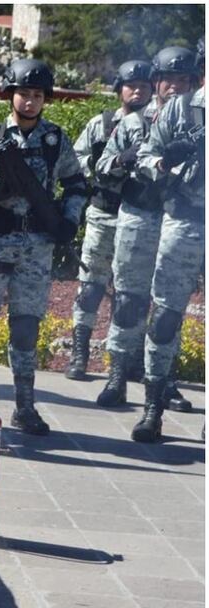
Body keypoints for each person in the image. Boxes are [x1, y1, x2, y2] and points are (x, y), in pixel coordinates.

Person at [0, 59, 88, 435]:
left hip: (36, 248)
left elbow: (76, 185)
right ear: (10, 94)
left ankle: (24, 407)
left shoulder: (54, 141)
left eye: (38, 95)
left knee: (26, 328)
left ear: (46, 99)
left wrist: (70, 222)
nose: (30, 101)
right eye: (24, 93)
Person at [95, 46, 198, 408]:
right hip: (140, 216)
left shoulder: (196, 122)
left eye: (184, 81)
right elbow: (101, 169)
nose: (176, 87)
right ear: (156, 82)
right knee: (129, 300)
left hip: (181, 222)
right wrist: (128, 159)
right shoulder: (135, 122)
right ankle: (117, 378)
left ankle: (165, 382)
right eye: (169, 80)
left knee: (170, 306)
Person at [65, 60, 153, 380]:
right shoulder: (101, 125)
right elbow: (75, 164)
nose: (138, 90)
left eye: (145, 85)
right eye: (131, 85)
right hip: (104, 214)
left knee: (134, 293)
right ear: (119, 90)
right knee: (90, 287)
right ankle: (79, 352)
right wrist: (114, 164)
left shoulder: (158, 124)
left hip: (143, 218)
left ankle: (129, 359)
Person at [131, 68, 204, 441]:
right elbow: (145, 156)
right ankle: (152, 410)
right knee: (164, 319)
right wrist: (165, 161)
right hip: (185, 222)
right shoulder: (180, 109)